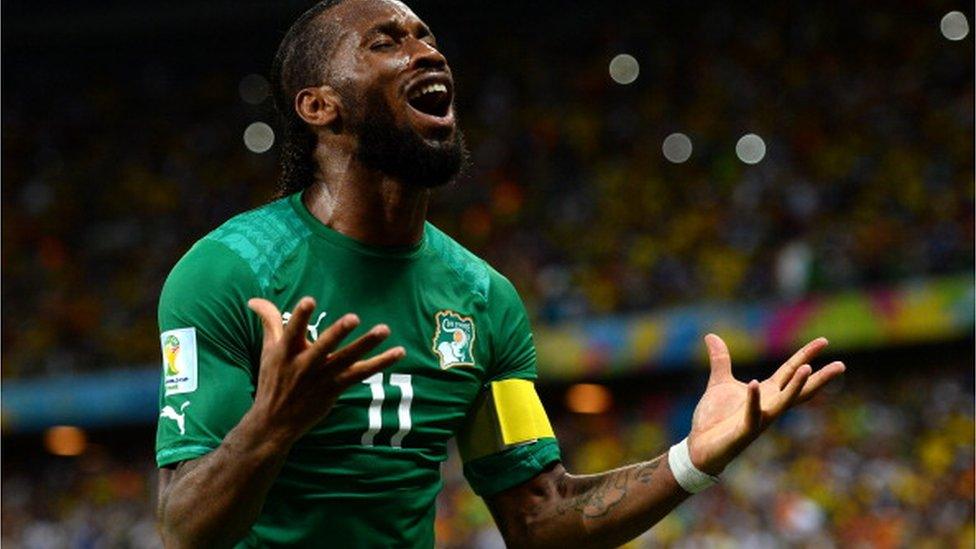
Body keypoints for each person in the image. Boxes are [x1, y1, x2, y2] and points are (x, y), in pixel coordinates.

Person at [153, 0, 847, 547]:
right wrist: (271, 425)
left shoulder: (483, 301)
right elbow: (184, 526)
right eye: (386, 41)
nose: (428, 50)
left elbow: (540, 518)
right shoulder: (226, 274)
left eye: (426, 36)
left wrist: (691, 459)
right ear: (319, 105)